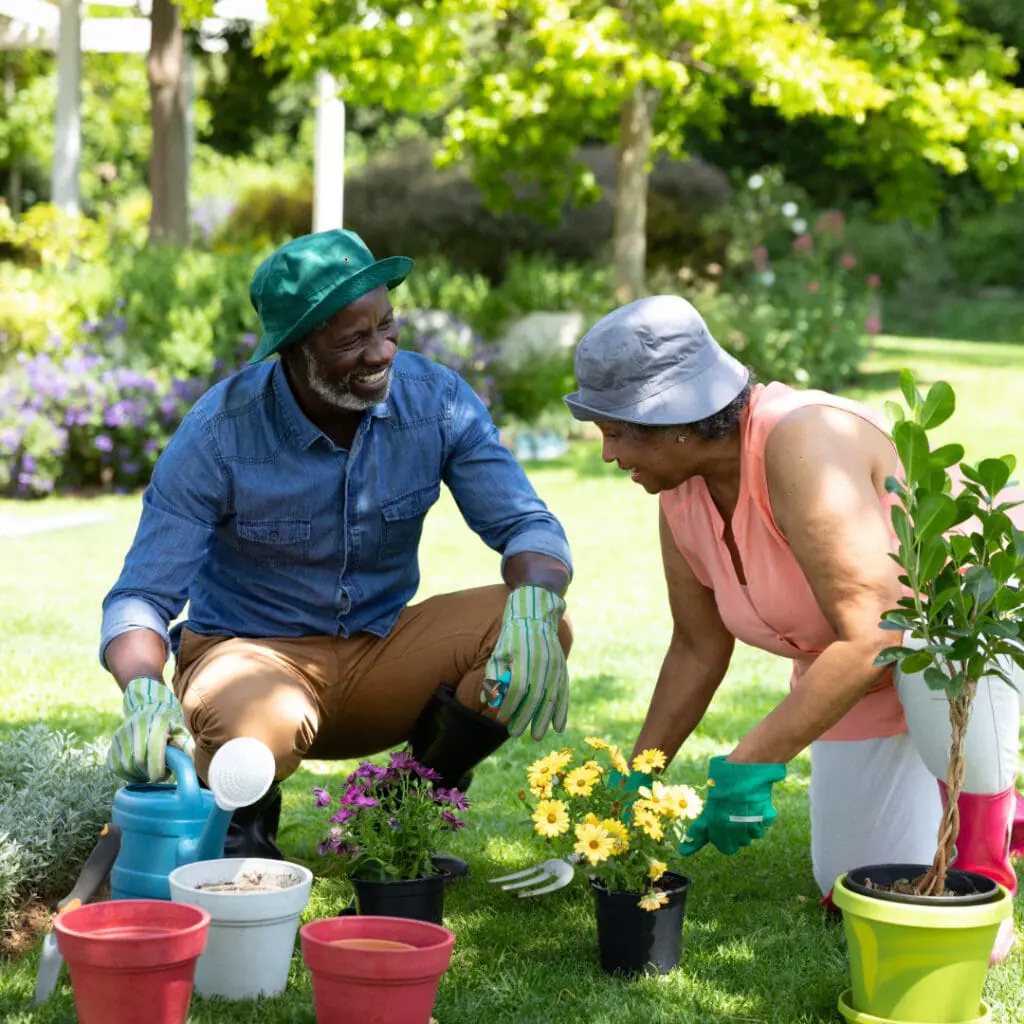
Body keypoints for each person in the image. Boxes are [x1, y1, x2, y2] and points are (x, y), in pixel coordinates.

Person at [563, 294, 1023, 963]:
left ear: (678, 422)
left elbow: (874, 633)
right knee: (848, 883)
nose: (607, 454)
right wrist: (642, 771)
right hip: (859, 676)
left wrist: (749, 762)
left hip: (965, 626)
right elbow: (697, 646)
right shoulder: (680, 492)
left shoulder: (801, 440)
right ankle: (967, 809)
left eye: (618, 432)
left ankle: (986, 855)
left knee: (928, 632)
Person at [100, 229, 573, 873]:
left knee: (539, 618)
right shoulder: (220, 431)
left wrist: (535, 601)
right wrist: (141, 691)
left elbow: (526, 523)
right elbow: (142, 596)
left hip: (381, 649)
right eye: (353, 340)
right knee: (259, 717)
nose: (382, 351)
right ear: (295, 349)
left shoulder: (436, 401)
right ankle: (242, 824)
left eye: (387, 326)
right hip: (252, 662)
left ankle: (398, 820)